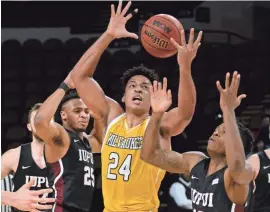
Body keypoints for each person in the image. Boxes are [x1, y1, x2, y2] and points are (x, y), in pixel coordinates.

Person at [70, 1, 202, 211]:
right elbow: (80, 77)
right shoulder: (111, 115)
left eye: (145, 87)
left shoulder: (158, 124)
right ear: (123, 96)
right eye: (132, 86)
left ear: (153, 98)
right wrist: (108, 35)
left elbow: (186, 113)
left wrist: (184, 67)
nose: (138, 89)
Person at [141, 72, 255, 212]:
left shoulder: (242, 173)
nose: (216, 132)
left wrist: (228, 111)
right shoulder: (195, 162)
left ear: (238, 145)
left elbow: (237, 167)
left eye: (224, 132)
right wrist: (157, 114)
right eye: (217, 129)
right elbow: (149, 155)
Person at [33, 74, 102, 212]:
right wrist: (64, 86)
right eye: (77, 111)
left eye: (86, 111)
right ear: (63, 115)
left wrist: (97, 115)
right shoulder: (62, 137)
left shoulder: (88, 142)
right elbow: (40, 121)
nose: (84, 115)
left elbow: (100, 141)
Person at [1, 103, 55, 211]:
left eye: (47, 120)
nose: (42, 124)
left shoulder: (67, 157)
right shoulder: (14, 156)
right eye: (37, 120)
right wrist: (12, 198)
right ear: (29, 127)